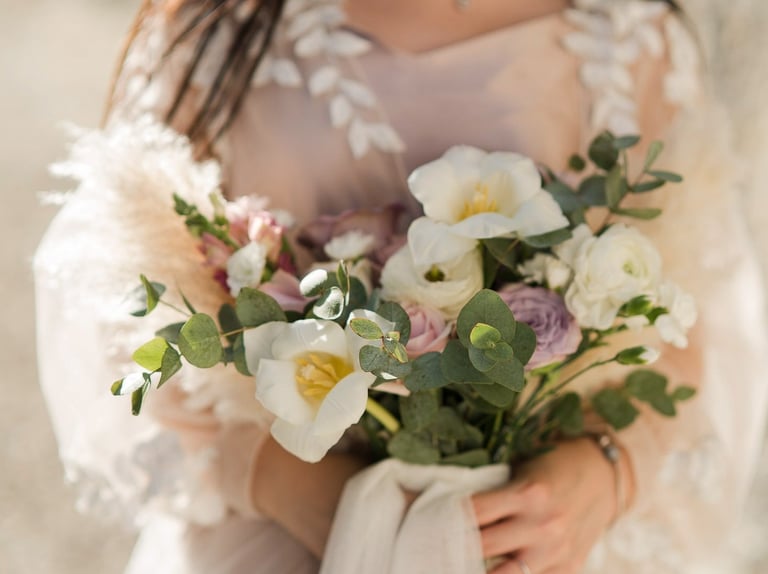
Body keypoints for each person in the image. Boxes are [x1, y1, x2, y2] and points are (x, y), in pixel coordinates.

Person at [34, 0, 768, 573]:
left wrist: (599, 475)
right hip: (285, 534)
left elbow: (688, 326)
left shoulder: (629, 37)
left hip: (537, 541)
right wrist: (274, 479)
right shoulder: (220, 28)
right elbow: (121, 300)